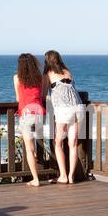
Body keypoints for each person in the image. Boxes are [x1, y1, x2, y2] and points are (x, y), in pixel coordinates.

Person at [44, 50, 82, 184]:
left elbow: (44, 93)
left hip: (63, 110)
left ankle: (63, 176)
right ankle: (71, 176)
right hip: (77, 107)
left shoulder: (48, 74)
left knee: (57, 143)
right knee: (73, 144)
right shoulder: (67, 71)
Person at [13, 53, 46, 187]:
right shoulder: (40, 77)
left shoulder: (17, 78)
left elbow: (18, 99)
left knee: (29, 149)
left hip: (26, 114)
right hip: (40, 113)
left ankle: (36, 179)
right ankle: (37, 155)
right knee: (35, 141)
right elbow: (43, 95)